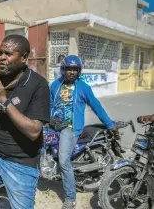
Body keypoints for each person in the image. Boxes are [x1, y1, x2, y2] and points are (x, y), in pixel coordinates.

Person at [0, 35, 50, 209]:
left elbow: (34, 131)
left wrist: (4, 101)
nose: (1, 57)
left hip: (20, 163)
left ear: (23, 57)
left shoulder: (38, 85)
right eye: (0, 53)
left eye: (7, 54)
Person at [49, 55, 117, 209]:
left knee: (64, 160)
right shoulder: (55, 85)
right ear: (63, 70)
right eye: (68, 69)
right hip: (53, 124)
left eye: (74, 69)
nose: (71, 72)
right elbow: (48, 104)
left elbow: (96, 106)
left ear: (78, 71)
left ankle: (70, 199)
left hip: (70, 128)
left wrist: (110, 124)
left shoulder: (84, 88)